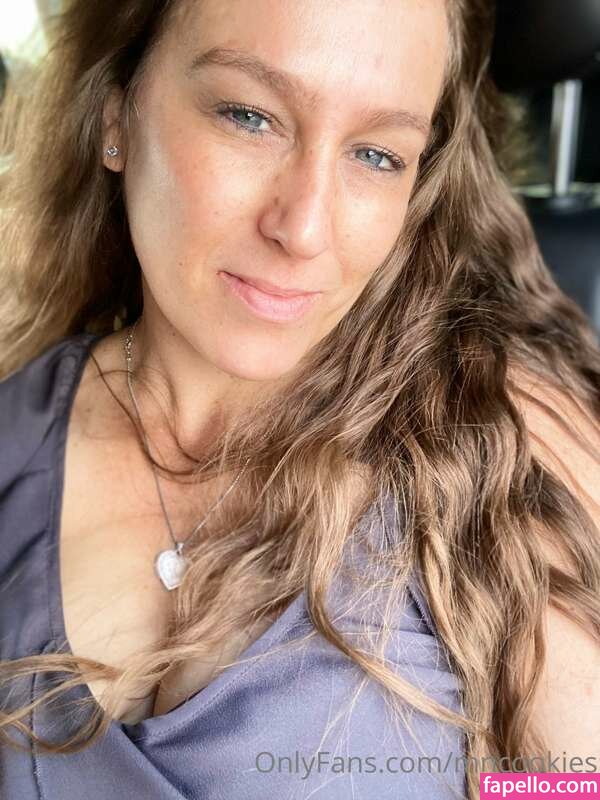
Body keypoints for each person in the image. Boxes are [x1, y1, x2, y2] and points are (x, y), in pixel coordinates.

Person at [0, 0, 599, 798]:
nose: (305, 228)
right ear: (117, 115)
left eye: (377, 155)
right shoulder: (16, 432)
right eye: (249, 117)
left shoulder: (498, 432)